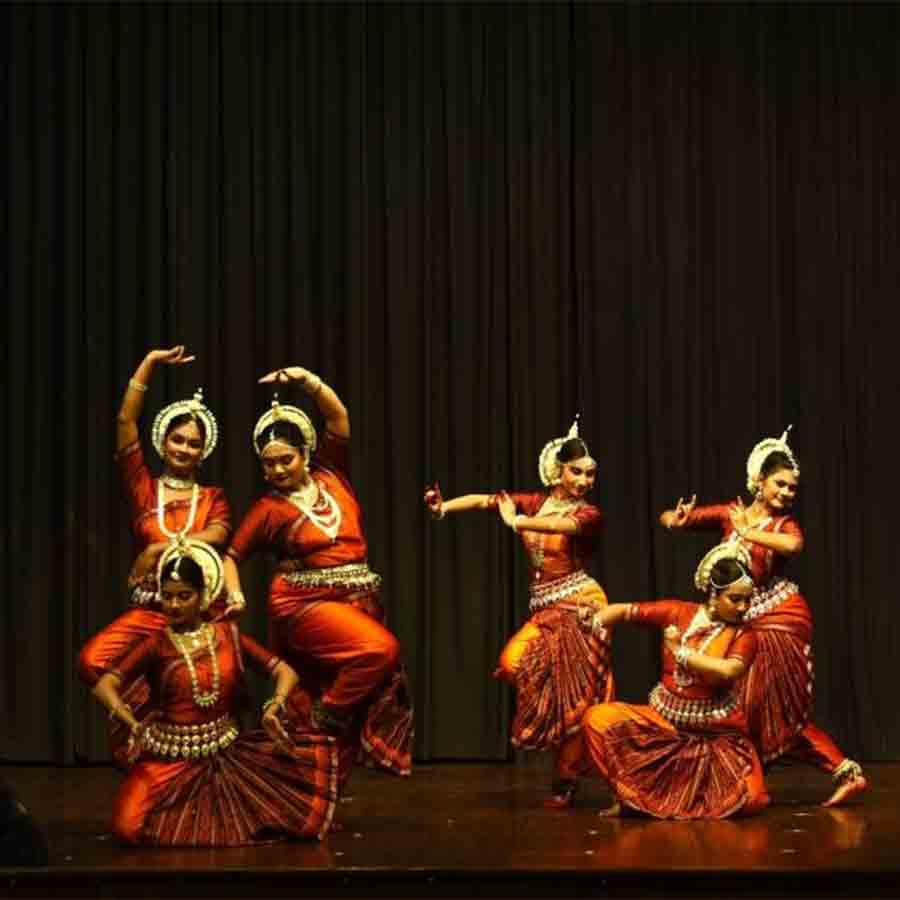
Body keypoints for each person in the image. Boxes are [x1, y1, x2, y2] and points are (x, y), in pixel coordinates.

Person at [224, 367, 412, 787]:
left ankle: (314, 794)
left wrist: (308, 381)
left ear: (305, 454)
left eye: (285, 460)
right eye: (267, 464)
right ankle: (324, 717)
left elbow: (339, 418)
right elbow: (232, 555)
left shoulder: (332, 476)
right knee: (380, 651)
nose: (276, 470)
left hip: (356, 598)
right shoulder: (268, 510)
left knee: (337, 691)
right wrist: (235, 592)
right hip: (302, 604)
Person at [659, 427, 866, 806]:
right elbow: (670, 518)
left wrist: (747, 532)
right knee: (747, 709)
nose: (787, 493)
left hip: (778, 621)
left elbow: (794, 544)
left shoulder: (781, 525)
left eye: (791, 488)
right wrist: (677, 519)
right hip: (746, 620)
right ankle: (744, 778)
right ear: (758, 481)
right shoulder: (731, 513)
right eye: (780, 484)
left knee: (771, 711)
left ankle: (838, 770)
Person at [89, 540, 336, 845]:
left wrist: (274, 707)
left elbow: (285, 671)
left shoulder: (227, 634)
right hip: (168, 756)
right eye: (167, 597)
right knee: (127, 828)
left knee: (286, 813)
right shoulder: (156, 643)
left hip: (225, 753)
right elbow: (104, 684)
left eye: (184, 596)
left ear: (203, 596)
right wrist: (130, 721)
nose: (175, 605)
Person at [425, 417, 612, 808]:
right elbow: (485, 501)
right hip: (544, 607)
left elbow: (561, 524)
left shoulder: (589, 515)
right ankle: (549, 727)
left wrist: (520, 522)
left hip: (582, 605)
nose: (584, 480)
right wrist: (444, 509)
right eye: (576, 471)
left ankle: (565, 781)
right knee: (513, 664)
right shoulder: (533, 501)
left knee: (579, 697)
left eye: (590, 474)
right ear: (556, 470)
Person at [78, 347, 236, 763]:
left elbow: (218, 534)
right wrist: (148, 363)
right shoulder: (145, 489)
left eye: (193, 444)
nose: (184, 449)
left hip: (203, 614)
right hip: (152, 611)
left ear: (204, 451)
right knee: (93, 661)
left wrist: (160, 548)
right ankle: (139, 732)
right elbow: (125, 421)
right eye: (177, 439)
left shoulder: (212, 497)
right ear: (163, 441)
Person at [579, 543, 769, 819]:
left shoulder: (745, 635)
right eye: (735, 599)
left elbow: (728, 671)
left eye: (748, 600)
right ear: (714, 595)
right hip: (665, 724)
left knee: (751, 799)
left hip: (717, 735)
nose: (744, 608)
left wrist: (680, 651)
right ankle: (630, 798)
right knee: (597, 719)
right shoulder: (678, 613)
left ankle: (657, 800)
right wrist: (593, 620)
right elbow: (625, 611)